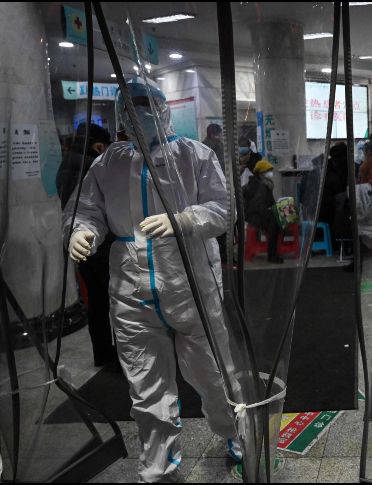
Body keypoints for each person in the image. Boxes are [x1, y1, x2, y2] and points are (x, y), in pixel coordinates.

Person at [64, 77, 242, 483]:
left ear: (162, 109)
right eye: (129, 104)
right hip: (132, 292)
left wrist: (183, 219)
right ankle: (160, 467)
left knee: (216, 375)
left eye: (145, 103)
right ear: (120, 114)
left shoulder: (193, 155)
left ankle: (239, 437)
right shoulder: (107, 163)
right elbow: (85, 209)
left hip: (191, 286)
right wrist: (80, 231)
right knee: (147, 388)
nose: (137, 111)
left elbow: (223, 209)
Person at [57, 122, 118, 367]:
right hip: (96, 244)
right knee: (107, 301)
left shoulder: (68, 162)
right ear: (98, 145)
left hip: (80, 241)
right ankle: (109, 355)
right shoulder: (90, 166)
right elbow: (92, 209)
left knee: (96, 300)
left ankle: (102, 352)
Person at [243, 158, 283, 264]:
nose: (270, 173)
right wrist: (272, 212)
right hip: (255, 216)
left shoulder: (262, 183)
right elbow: (258, 205)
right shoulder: (262, 185)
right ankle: (272, 255)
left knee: (276, 221)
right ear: (261, 173)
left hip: (256, 214)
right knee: (275, 225)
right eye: (268, 171)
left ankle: (273, 254)